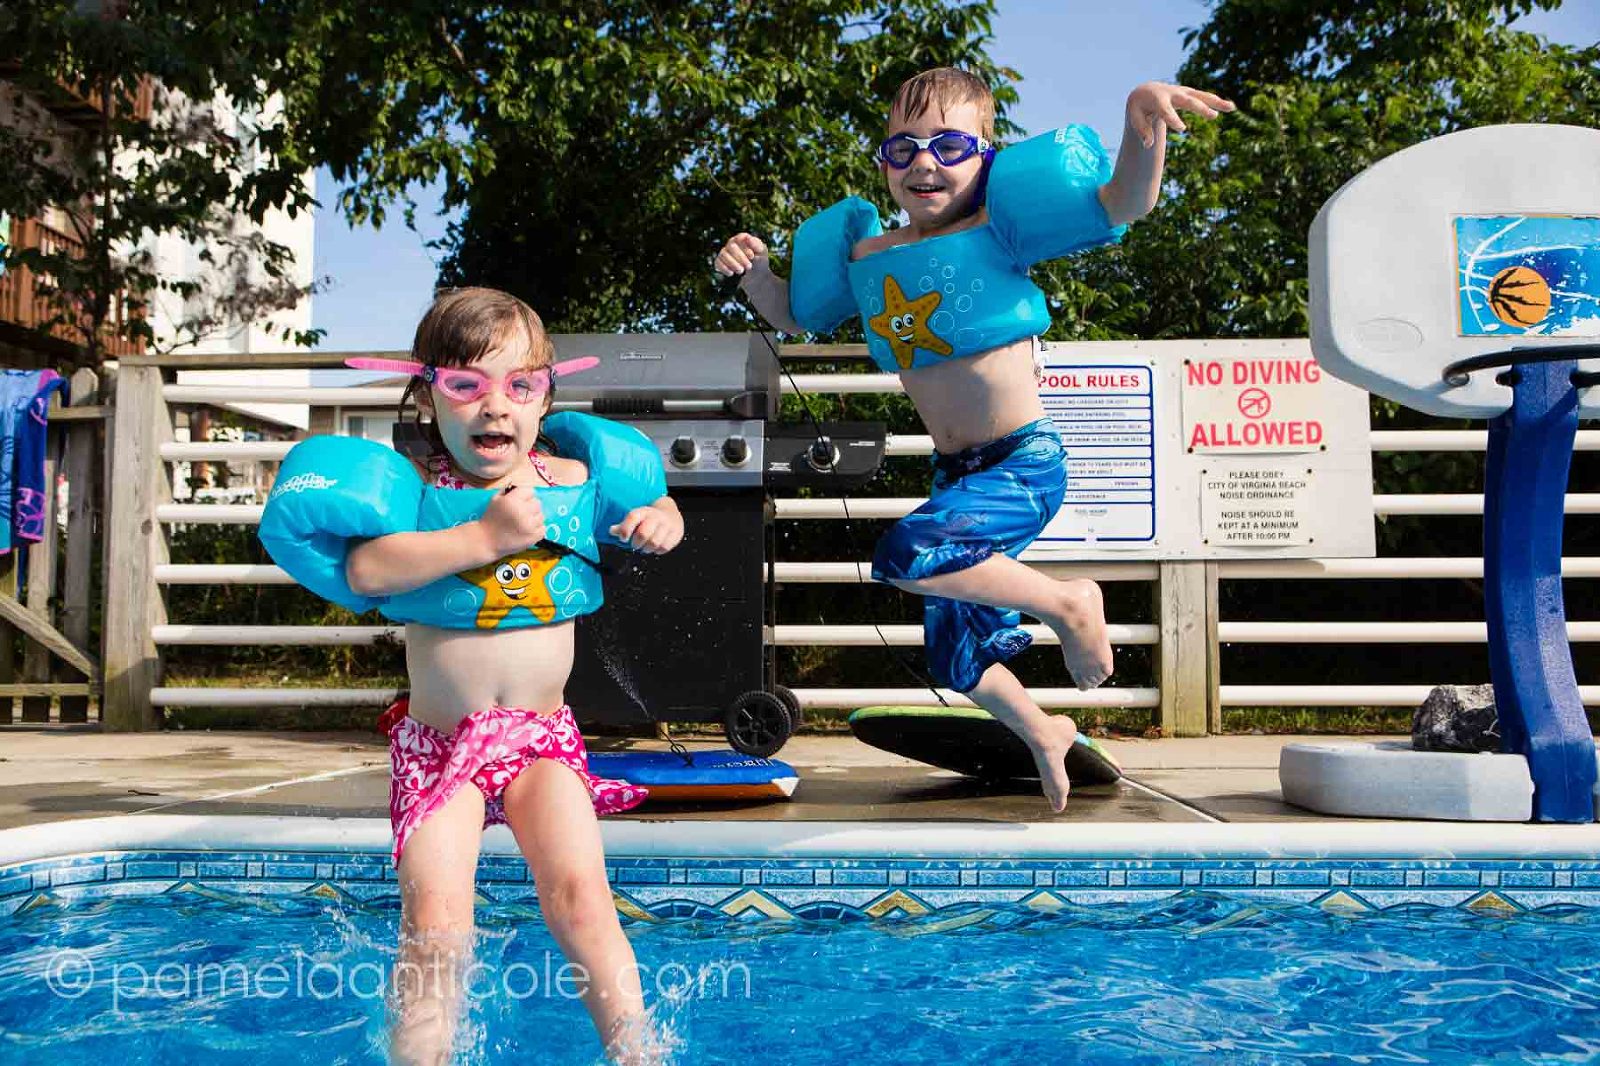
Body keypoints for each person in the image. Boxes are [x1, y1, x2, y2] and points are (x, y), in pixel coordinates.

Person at [715, 68, 1231, 811]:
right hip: (958, 476)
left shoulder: (1001, 228)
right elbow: (795, 318)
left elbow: (1125, 201)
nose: (925, 163)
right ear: (885, 160)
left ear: (986, 155)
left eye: (950, 145)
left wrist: (1140, 122)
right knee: (956, 656)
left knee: (905, 554)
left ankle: (1071, 604)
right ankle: (1043, 730)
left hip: (1024, 462)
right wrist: (759, 276)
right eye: (904, 148)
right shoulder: (866, 256)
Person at [260, 287, 683, 1063]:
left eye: (519, 385)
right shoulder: (418, 496)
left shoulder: (572, 483)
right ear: (428, 394)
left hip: (540, 742)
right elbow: (368, 568)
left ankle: (638, 1052)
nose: (496, 408)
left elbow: (659, 503)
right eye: (466, 385)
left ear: (547, 393)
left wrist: (663, 520)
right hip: (438, 750)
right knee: (437, 925)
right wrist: (484, 534)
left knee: (583, 900)